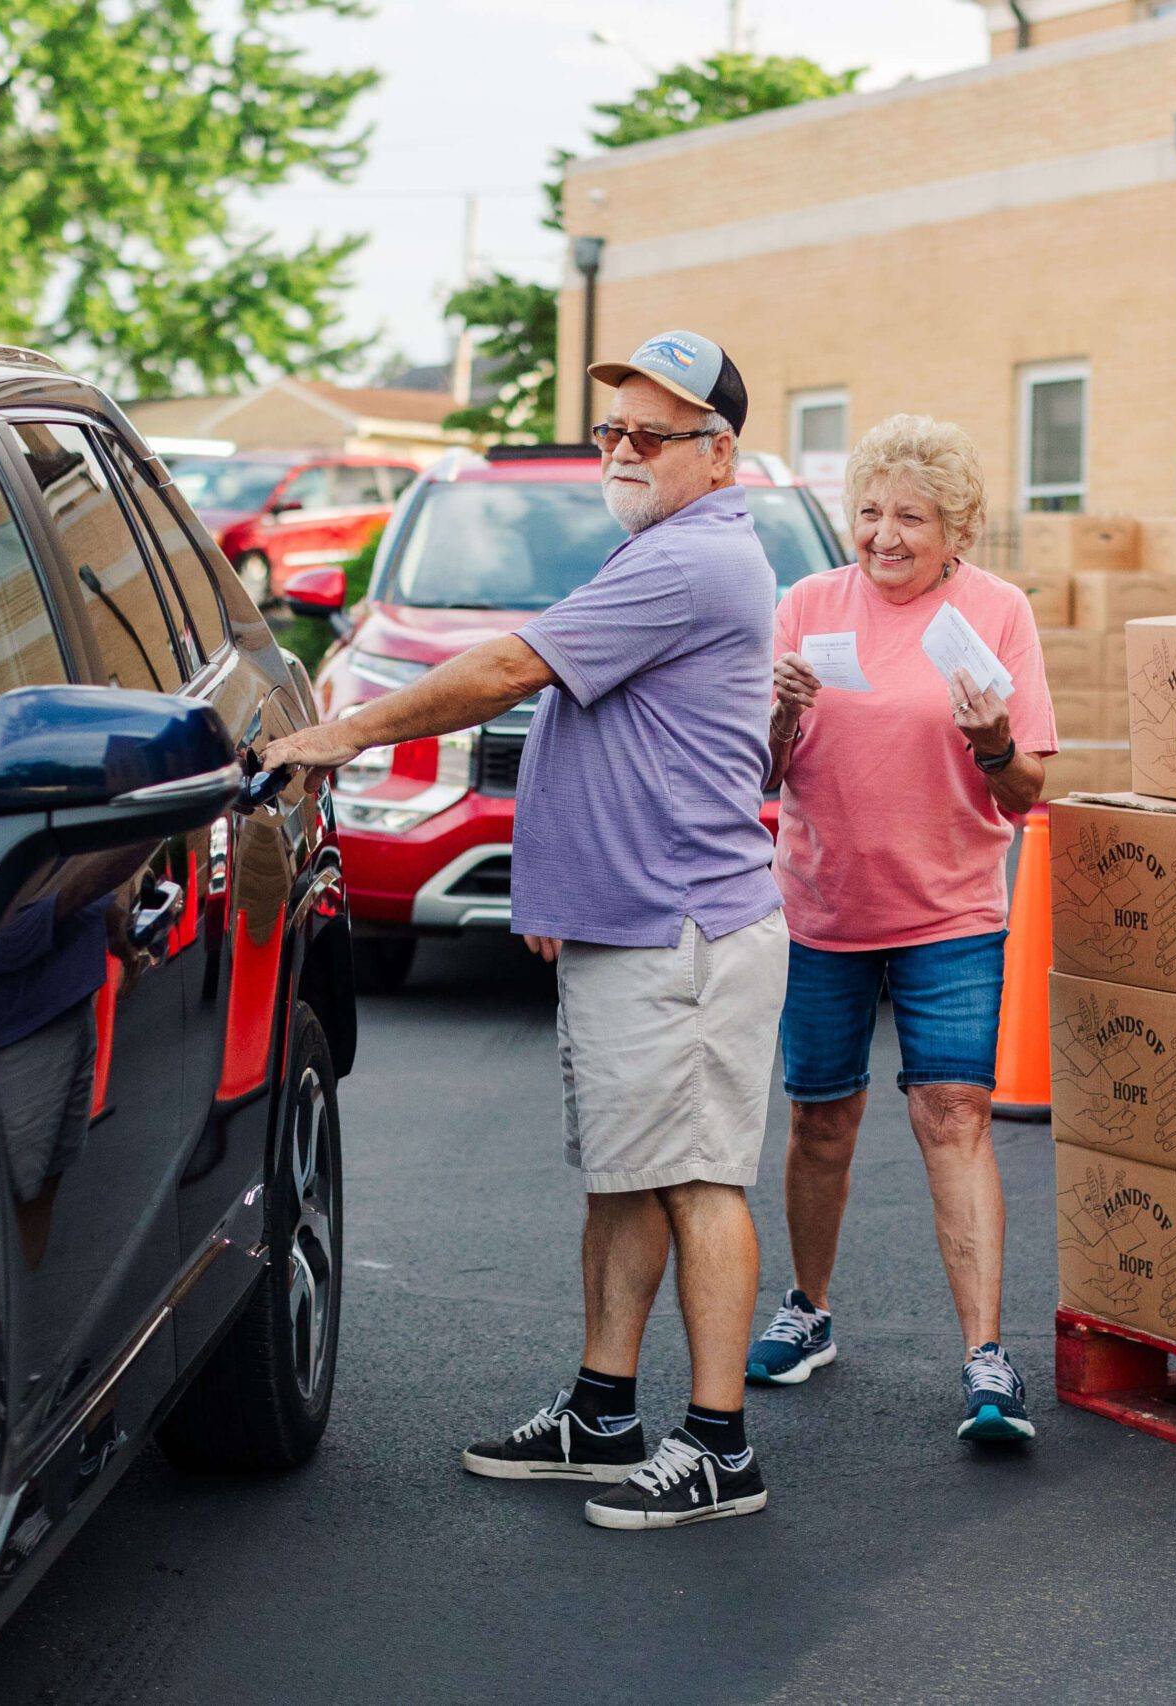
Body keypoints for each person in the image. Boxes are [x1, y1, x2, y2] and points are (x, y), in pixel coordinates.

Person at [263, 330, 787, 1530]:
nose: (621, 450)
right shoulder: (659, 547)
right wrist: (557, 898)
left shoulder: (689, 561)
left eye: (651, 434)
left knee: (696, 1177)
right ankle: (603, 1413)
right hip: (628, 924)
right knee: (626, 1175)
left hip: (681, 933)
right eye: (610, 428)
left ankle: (719, 1446)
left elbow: (507, 667)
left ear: (719, 454)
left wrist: (339, 733)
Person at [742, 414, 1055, 1445]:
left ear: (954, 527)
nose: (883, 534)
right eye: (869, 511)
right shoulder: (805, 604)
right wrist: (781, 715)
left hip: (949, 909)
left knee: (955, 1114)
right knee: (820, 1117)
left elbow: (1023, 790)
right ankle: (810, 1306)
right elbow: (760, 776)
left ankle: (985, 1358)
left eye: (909, 516)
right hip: (823, 905)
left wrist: (994, 738)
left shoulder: (995, 611)